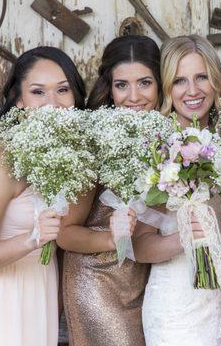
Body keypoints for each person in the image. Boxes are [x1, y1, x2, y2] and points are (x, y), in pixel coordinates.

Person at [0, 46, 87, 346]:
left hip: (37, 289)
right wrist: (32, 240)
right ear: (19, 99)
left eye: (63, 90)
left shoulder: (71, 153)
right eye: (38, 92)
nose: (53, 103)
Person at [57, 35, 162, 346]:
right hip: (98, 280)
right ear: (109, 88)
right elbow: (65, 233)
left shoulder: (168, 135)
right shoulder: (95, 141)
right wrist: (111, 238)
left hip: (146, 281)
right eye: (122, 85)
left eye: (144, 83)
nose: (133, 96)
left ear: (159, 83)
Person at [134, 35, 221, 346]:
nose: (192, 90)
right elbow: (139, 246)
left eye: (201, 77)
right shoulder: (156, 147)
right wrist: (185, 237)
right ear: (167, 89)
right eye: (179, 81)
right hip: (176, 304)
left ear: (216, 79)